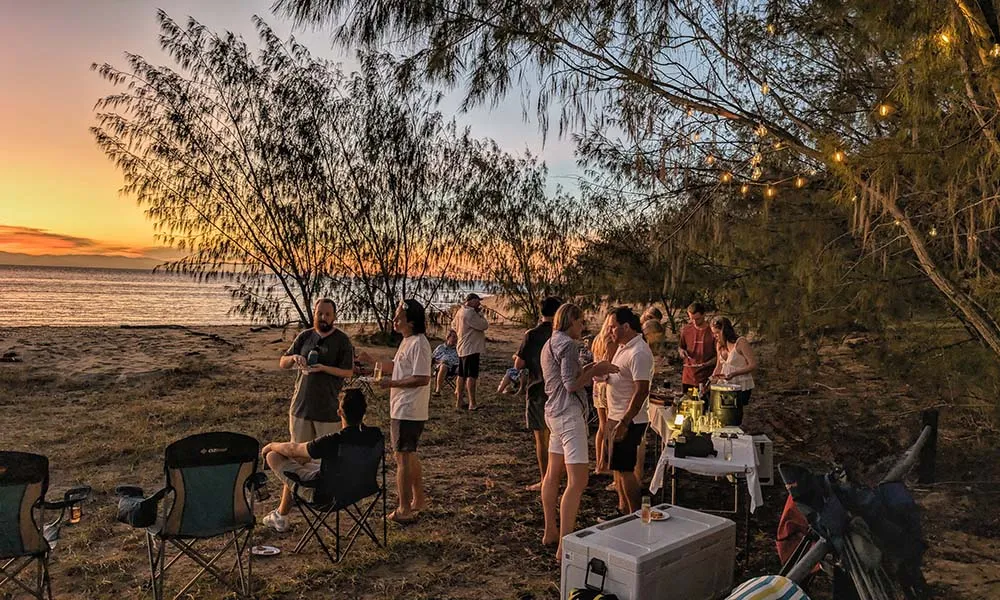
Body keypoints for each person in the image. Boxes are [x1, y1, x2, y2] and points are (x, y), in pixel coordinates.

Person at [540, 304, 618, 561]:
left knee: (552, 474)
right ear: (571, 320)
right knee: (578, 480)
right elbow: (571, 384)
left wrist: (589, 369)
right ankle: (564, 544)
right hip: (569, 416)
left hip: (552, 412)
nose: (582, 326)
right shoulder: (569, 346)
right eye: (580, 321)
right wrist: (596, 370)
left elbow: (566, 379)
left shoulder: (549, 343)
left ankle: (550, 530)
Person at [274, 298, 354, 527]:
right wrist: (294, 358)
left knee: (325, 462)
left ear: (334, 316)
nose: (323, 318)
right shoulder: (305, 336)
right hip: (300, 407)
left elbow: (348, 372)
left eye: (328, 314)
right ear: (314, 314)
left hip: (328, 409)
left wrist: (323, 368)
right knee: (295, 459)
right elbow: (282, 362)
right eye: (320, 313)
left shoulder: (342, 341)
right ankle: (283, 513)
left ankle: (325, 504)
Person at [260, 389, 381, 532]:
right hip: (361, 488)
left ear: (340, 413)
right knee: (303, 460)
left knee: (273, 456)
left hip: (326, 496)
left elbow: (293, 449)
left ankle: (281, 515)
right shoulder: (376, 434)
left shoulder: (332, 441)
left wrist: (271, 445)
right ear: (363, 412)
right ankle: (281, 514)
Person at [360, 299, 433, 523]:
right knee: (408, 454)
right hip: (402, 407)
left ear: (410, 322)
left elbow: (422, 378)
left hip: (408, 408)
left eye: (398, 317)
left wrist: (390, 384)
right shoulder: (407, 341)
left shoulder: (419, 343)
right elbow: (397, 366)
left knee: (401, 457)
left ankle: (404, 509)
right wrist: (373, 363)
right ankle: (418, 500)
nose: (394, 320)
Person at [606, 306, 653, 515]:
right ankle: (622, 507)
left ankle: (635, 514)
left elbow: (641, 389)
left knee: (626, 469)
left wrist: (625, 421)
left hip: (629, 419)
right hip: (615, 414)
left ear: (626, 326)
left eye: (613, 327)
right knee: (617, 467)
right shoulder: (623, 347)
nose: (610, 331)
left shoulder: (639, 352)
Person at [514, 296, 561, 491]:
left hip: (538, 388)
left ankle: (545, 479)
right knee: (557, 436)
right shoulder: (561, 335)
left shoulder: (532, 335)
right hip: (558, 389)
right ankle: (558, 476)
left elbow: (519, 364)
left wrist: (516, 357)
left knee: (541, 437)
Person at [590, 313, 618, 475]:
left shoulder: (597, 340)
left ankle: (599, 464)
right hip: (606, 385)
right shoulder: (610, 342)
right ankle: (604, 463)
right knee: (609, 426)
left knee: (602, 426)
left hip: (597, 385)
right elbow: (611, 364)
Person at [452, 293, 489, 410]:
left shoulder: (460, 311)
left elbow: (453, 325)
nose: (479, 303)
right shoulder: (471, 313)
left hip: (462, 346)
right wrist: (480, 313)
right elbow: (484, 325)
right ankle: (472, 403)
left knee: (461, 374)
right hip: (471, 348)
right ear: (472, 301)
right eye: (478, 301)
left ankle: (459, 401)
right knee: (471, 375)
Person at [709, 316, 757, 405]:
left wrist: (734, 373)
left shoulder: (740, 342)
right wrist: (710, 382)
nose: (715, 336)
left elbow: (752, 365)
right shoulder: (719, 345)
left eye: (717, 333)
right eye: (713, 333)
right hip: (725, 385)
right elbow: (718, 367)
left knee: (735, 412)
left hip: (741, 385)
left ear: (724, 331)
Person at [679, 302, 717, 396]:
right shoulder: (686, 330)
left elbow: (720, 355)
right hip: (688, 376)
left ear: (704, 315)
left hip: (706, 377)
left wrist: (707, 364)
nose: (695, 322)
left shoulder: (712, 332)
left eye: (697, 319)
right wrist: (682, 352)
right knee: (687, 405)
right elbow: (681, 347)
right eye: (692, 319)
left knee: (704, 405)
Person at [432, 329, 460, 396]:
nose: (455, 339)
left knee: (462, 368)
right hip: (442, 367)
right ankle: (438, 390)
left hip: (454, 367)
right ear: (448, 337)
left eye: (456, 337)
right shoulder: (440, 348)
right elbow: (432, 358)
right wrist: (440, 361)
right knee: (444, 366)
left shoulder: (458, 349)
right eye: (453, 337)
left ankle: (458, 391)